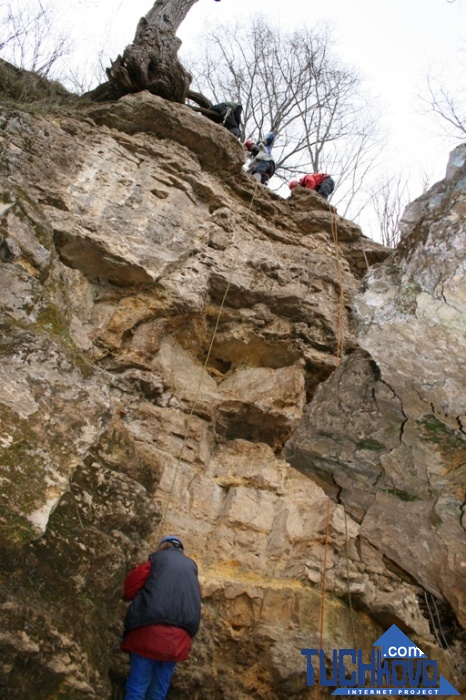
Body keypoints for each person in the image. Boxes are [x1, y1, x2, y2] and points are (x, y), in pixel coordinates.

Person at [120, 535, 201, 700]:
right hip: (177, 640)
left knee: (137, 687)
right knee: (158, 691)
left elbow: (129, 589)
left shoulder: (156, 560)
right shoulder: (192, 568)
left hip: (148, 633)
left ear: (163, 547)